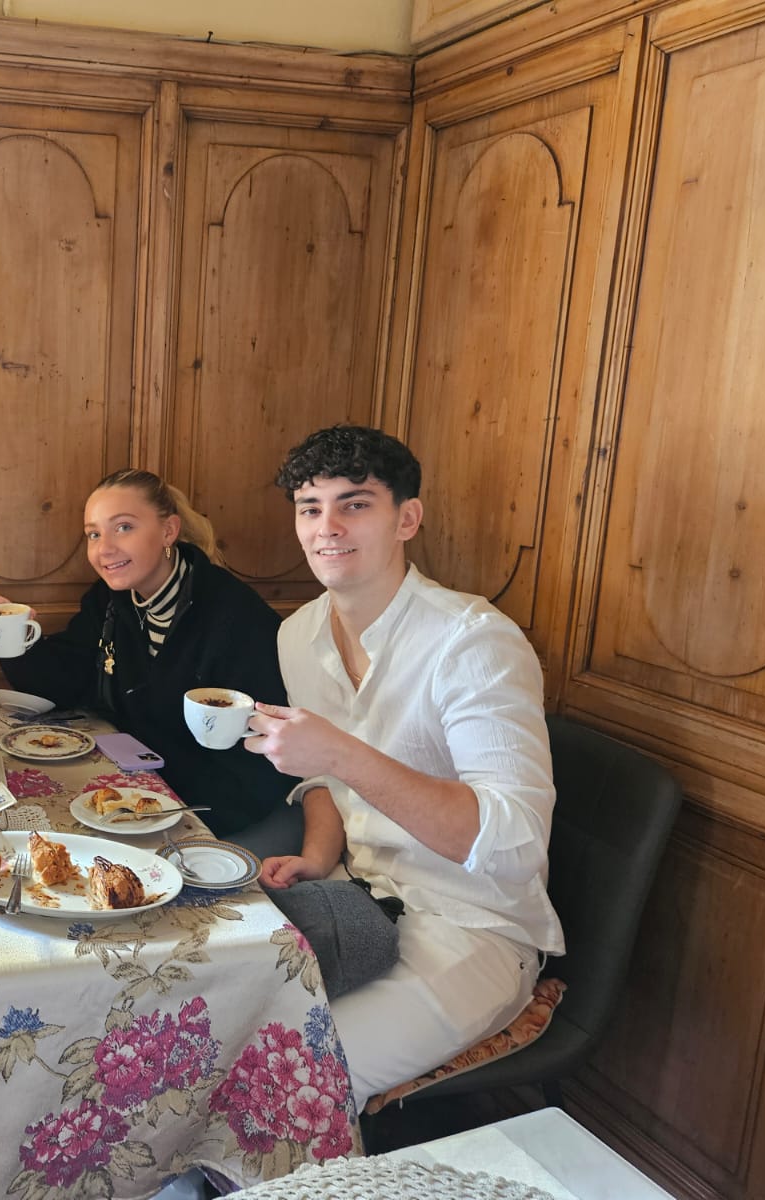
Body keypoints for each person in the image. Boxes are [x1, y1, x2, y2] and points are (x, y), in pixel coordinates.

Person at [246, 425, 565, 1110]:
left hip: (469, 926)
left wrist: (339, 751)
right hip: (354, 897)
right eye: (310, 507)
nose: (327, 526)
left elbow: (511, 844)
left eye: (354, 504)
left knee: (292, 1083)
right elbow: (327, 783)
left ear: (406, 519)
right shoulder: (297, 633)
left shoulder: (475, 642)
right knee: (206, 1022)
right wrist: (314, 854)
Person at [0, 468, 297, 846]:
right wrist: (15, 637)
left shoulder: (233, 616)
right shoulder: (110, 600)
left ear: (168, 531)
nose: (103, 549)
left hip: (209, 808)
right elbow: (65, 680)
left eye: (123, 527)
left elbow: (259, 755)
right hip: (133, 790)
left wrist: (154, 806)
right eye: (94, 534)